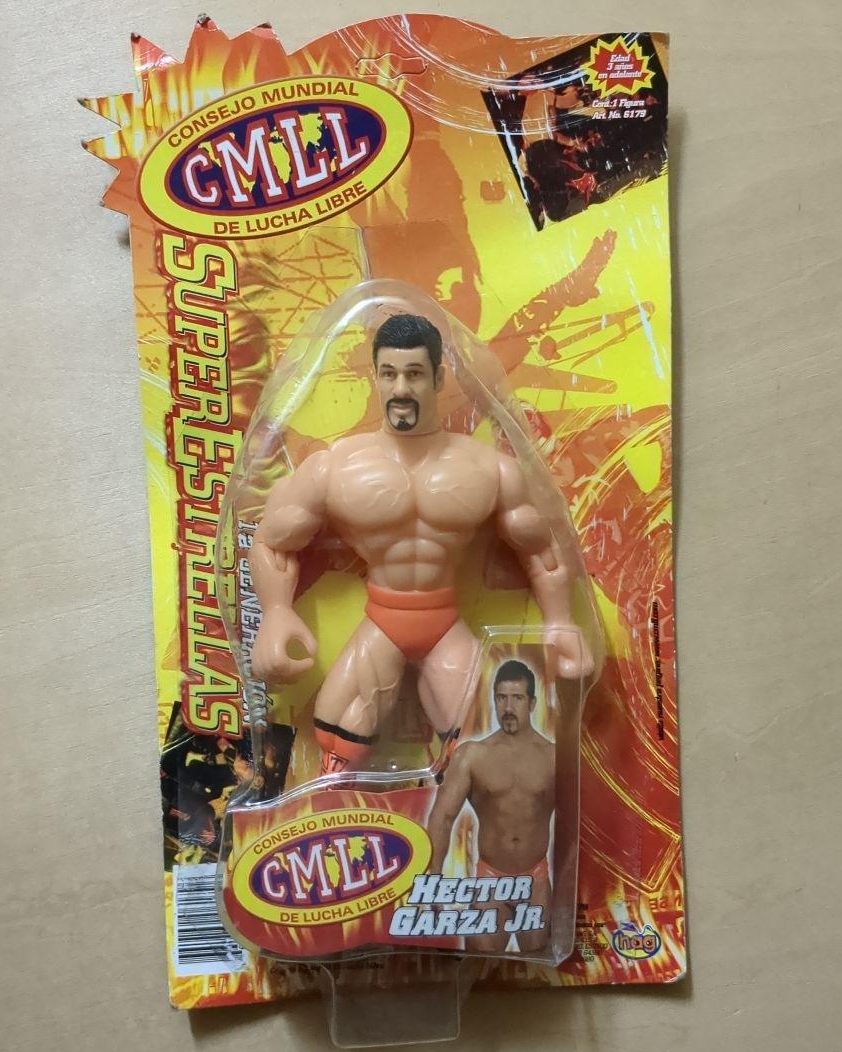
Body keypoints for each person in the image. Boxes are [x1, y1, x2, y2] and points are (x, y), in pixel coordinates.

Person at [250, 313, 592, 774]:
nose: (401, 388)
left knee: (489, 738)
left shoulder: (487, 469)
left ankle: (465, 815)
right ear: (374, 377)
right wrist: (275, 612)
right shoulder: (337, 467)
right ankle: (337, 813)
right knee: (336, 735)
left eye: (414, 374)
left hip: (445, 624)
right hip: (382, 620)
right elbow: (273, 541)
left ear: (438, 378)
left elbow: (541, 551)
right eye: (389, 374)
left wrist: (561, 623)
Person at [426, 659, 555, 953]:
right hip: (490, 879)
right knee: (480, 966)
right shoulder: (472, 756)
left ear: (532, 703)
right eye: (501, 698)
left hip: (535, 879)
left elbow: (577, 822)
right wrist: (433, 879)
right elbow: (442, 817)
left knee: (540, 967)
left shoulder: (553, 757)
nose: (508, 707)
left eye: (517, 698)